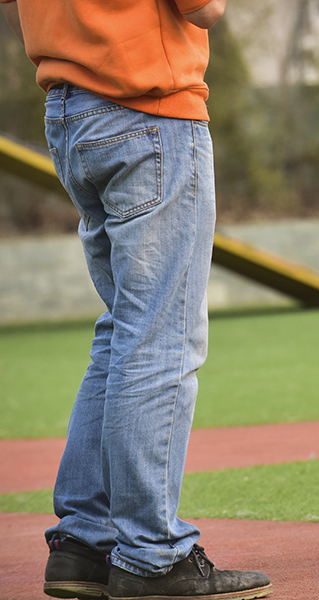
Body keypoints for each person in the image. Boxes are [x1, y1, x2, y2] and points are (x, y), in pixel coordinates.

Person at [1, 1, 272, 599]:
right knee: (160, 339)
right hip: (146, 109)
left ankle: (86, 543)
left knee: (126, 329)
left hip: (69, 112)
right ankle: (153, 554)